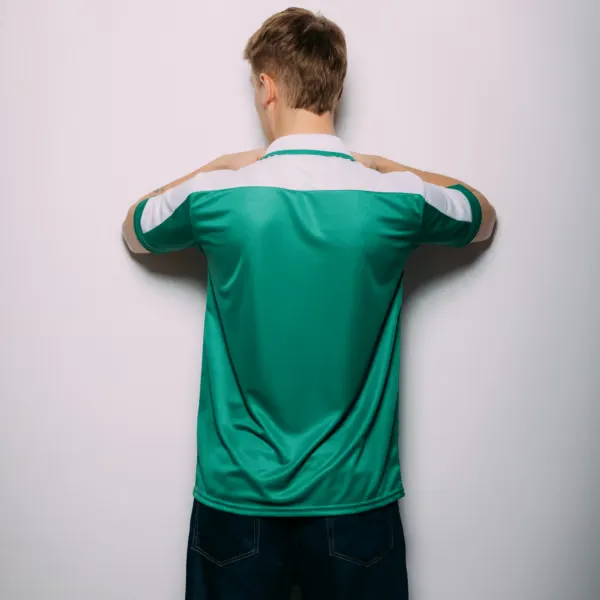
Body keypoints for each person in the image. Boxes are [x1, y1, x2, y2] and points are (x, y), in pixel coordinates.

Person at [122, 7, 496, 600]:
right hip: (356, 501)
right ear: (336, 88)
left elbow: (136, 229)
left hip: (237, 498)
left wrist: (215, 166)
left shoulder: (217, 195)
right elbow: (481, 215)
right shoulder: (396, 198)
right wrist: (386, 167)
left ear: (266, 86)